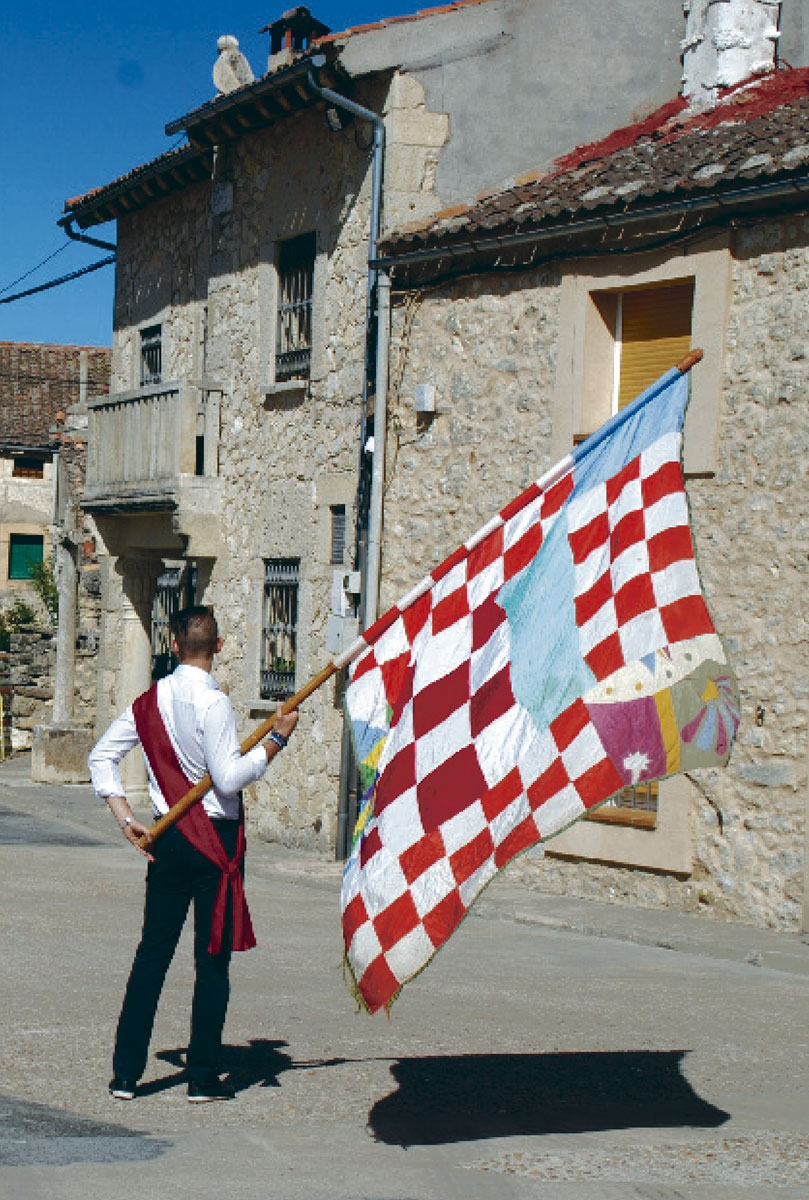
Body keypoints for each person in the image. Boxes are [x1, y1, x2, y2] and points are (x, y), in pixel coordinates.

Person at [88, 605, 298, 1103]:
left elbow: (102, 756)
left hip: (168, 836)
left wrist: (125, 819)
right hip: (214, 843)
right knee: (212, 960)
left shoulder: (150, 700)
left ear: (174, 645)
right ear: (219, 647)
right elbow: (227, 778)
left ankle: (125, 1075)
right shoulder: (215, 703)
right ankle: (203, 1077)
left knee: (152, 955)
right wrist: (274, 742)